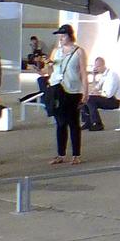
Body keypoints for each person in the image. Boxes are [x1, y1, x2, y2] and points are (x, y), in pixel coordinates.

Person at [45, 23, 87, 165]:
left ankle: (76, 154)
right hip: (57, 88)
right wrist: (48, 66)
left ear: (70, 36)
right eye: (60, 36)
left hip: (73, 90)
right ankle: (60, 154)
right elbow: (50, 72)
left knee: (73, 122)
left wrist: (86, 92)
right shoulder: (56, 51)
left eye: (63, 36)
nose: (61, 39)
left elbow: (83, 73)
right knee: (60, 123)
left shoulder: (79, 52)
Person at [81, 56, 120, 131]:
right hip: (106, 98)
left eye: (98, 66)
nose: (96, 68)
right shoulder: (104, 75)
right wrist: (93, 77)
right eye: (95, 66)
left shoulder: (112, 75)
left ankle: (98, 123)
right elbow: (96, 88)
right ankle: (88, 121)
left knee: (90, 100)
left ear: (103, 65)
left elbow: (109, 94)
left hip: (114, 101)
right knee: (84, 98)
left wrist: (97, 93)